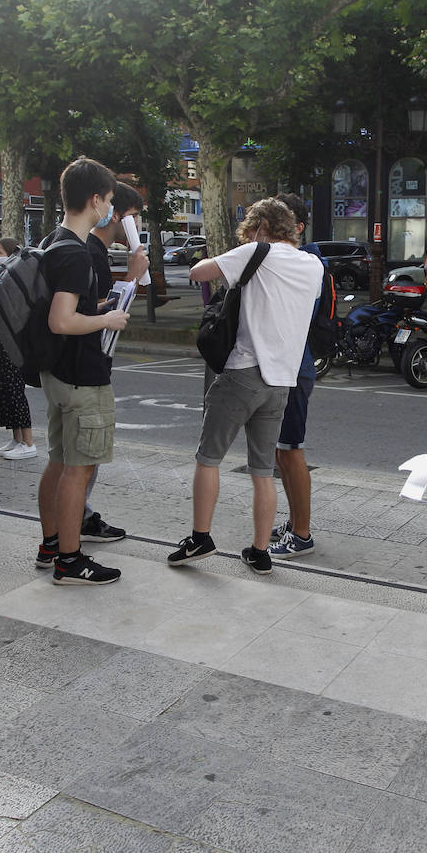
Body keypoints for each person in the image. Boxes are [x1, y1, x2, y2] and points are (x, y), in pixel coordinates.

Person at [168, 198, 323, 574]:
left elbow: (198, 272)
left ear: (259, 228)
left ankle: (200, 538)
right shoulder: (314, 265)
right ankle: (259, 550)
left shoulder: (258, 251)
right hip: (280, 383)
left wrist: (239, 251)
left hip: (242, 372)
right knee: (261, 469)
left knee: (208, 458)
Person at [34, 158, 131, 585]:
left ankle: (50, 545)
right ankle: (70, 561)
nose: (110, 209)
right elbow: (61, 321)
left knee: (59, 461)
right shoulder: (76, 253)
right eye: (109, 201)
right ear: (95, 200)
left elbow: (66, 310)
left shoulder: (53, 240)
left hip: (57, 374)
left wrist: (97, 308)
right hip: (82, 378)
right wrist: (105, 321)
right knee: (79, 469)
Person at [72, 177, 148, 543]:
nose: (134, 228)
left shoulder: (88, 250)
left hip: (74, 368)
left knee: (68, 462)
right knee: (82, 461)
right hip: (86, 370)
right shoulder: (90, 254)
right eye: (132, 218)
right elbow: (96, 321)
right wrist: (132, 279)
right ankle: (66, 540)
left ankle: (64, 532)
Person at [268, 192, 325, 561]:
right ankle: (293, 522)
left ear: (297, 228)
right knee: (282, 451)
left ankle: (301, 533)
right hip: (287, 366)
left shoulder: (307, 264)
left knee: (291, 451)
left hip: (293, 367)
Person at [0, 238, 37, 460]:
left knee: (15, 390)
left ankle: (28, 441)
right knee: (3, 389)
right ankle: (16, 437)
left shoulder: (13, 280)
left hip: (11, 341)